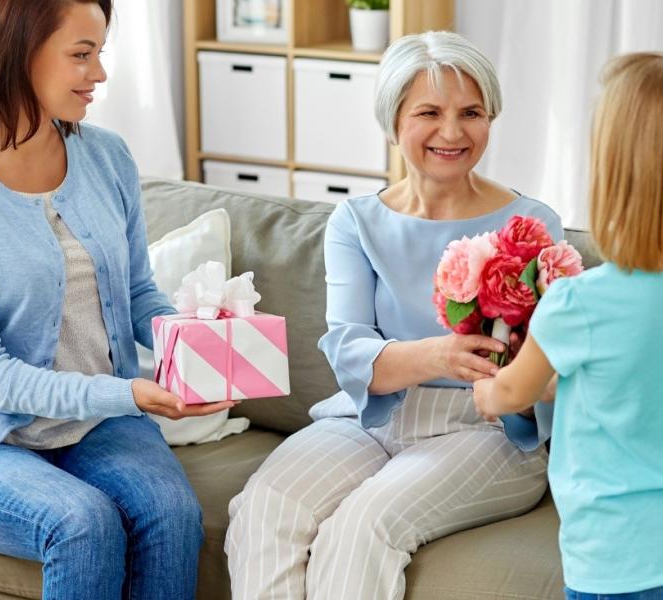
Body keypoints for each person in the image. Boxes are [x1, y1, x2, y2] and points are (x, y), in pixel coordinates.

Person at [0, 1, 234, 598]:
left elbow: (137, 293)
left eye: (99, 53)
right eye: (81, 55)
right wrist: (127, 392)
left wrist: (200, 348)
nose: (99, 73)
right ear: (16, 53)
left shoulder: (106, 156)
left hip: (97, 423)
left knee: (172, 517)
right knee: (82, 524)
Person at [224, 31, 561, 600]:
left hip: (485, 430)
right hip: (369, 418)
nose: (452, 132)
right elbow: (349, 351)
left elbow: (546, 367)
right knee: (263, 508)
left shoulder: (530, 224)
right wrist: (440, 354)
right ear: (392, 121)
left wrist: (514, 383)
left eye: (471, 113)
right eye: (429, 112)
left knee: (361, 527)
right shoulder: (356, 221)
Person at [473, 51, 663, 600]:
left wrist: (484, 388)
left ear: (614, 172)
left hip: (621, 560)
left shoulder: (580, 304)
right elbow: (650, 367)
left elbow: (509, 393)